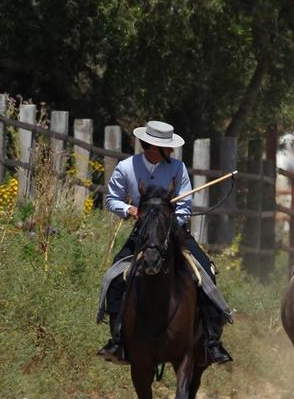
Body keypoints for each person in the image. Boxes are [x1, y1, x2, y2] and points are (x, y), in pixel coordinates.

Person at [98, 120, 233, 365]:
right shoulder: (126, 167)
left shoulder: (178, 168)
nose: (170, 151)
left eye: (170, 147)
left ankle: (212, 341)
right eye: (166, 147)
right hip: (142, 234)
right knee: (114, 277)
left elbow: (185, 206)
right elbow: (111, 199)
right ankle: (118, 338)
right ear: (151, 146)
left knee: (207, 273)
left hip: (175, 232)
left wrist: (172, 223)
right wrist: (130, 209)